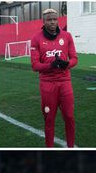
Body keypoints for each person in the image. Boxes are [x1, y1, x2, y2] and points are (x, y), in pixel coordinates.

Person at [30, 8, 78, 148]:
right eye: (49, 19)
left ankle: (71, 147)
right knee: (49, 119)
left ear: (58, 20)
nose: (52, 22)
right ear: (43, 21)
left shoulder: (67, 36)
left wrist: (67, 64)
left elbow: (75, 58)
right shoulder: (36, 39)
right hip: (47, 84)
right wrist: (51, 65)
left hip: (65, 82)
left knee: (69, 116)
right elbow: (35, 65)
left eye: (54, 19)